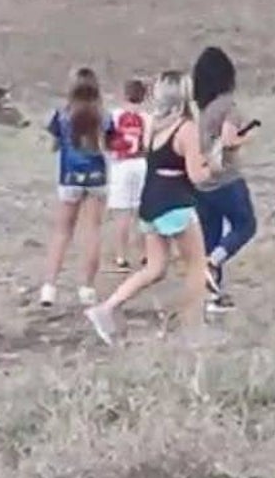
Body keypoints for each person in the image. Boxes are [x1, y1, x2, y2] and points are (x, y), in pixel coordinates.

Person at [85, 72, 211, 344]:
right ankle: (194, 328)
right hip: (177, 203)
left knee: (155, 268)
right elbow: (197, 176)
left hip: (151, 203)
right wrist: (214, 163)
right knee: (196, 267)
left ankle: (106, 308)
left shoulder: (154, 124)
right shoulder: (186, 128)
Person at [192, 46, 258, 312]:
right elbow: (230, 140)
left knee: (210, 234)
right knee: (245, 225)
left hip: (202, 182)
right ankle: (214, 262)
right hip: (227, 180)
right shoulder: (228, 106)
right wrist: (247, 137)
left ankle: (212, 296)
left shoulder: (204, 110)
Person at [41, 73, 114, 307]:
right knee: (92, 231)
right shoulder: (103, 116)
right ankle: (87, 288)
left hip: (69, 176)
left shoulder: (61, 115)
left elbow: (53, 146)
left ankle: (50, 287)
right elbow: (109, 145)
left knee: (62, 232)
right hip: (96, 177)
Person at [107, 78, 149, 270]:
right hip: (140, 162)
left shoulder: (115, 115)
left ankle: (121, 256)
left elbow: (106, 138)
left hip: (121, 164)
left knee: (122, 213)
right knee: (141, 211)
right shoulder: (146, 118)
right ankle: (144, 253)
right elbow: (147, 144)